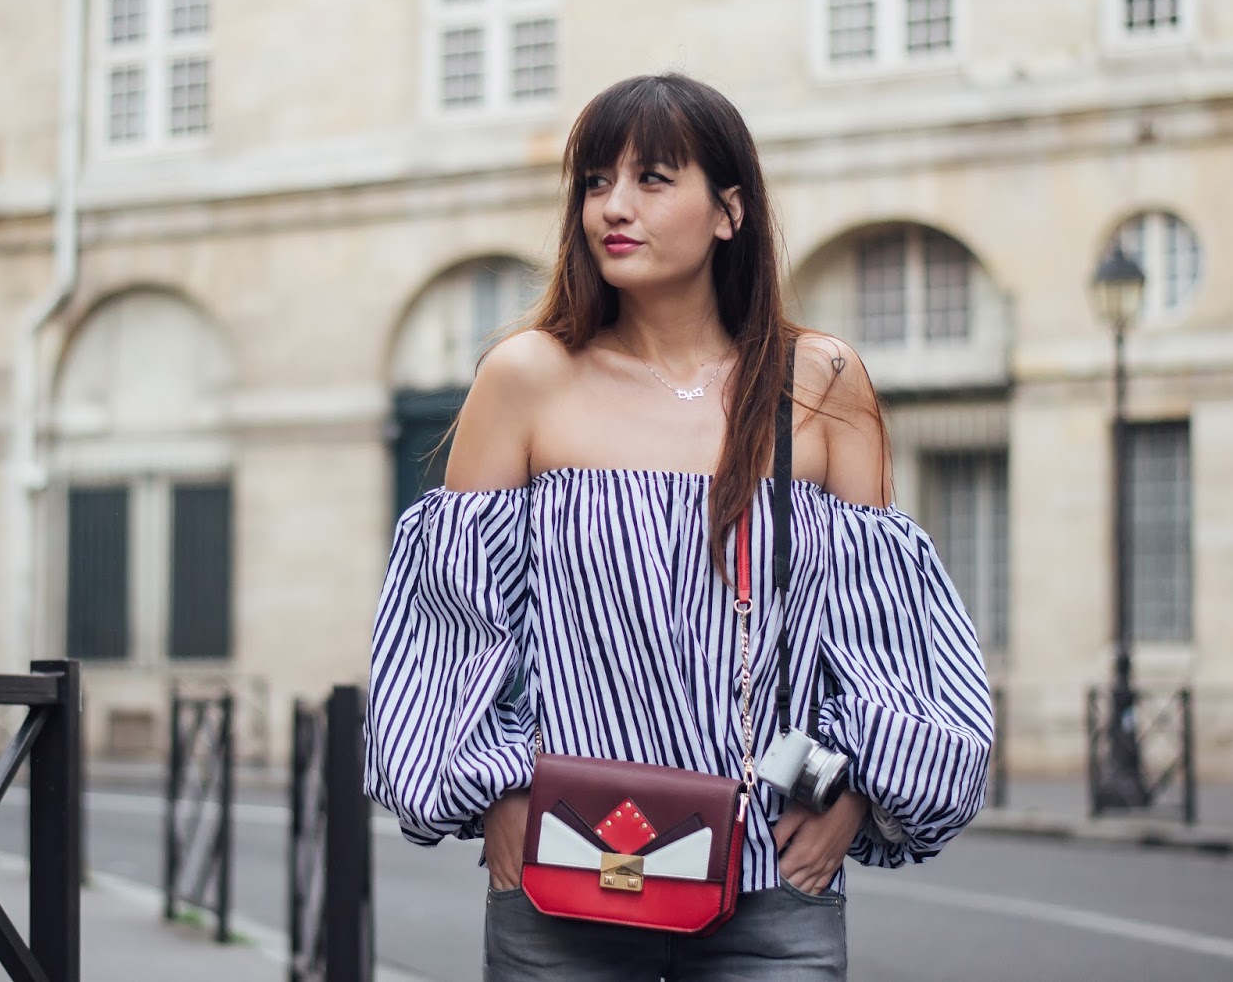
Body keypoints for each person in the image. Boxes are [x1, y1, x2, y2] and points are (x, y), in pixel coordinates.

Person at [364, 73, 993, 981]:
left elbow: (883, 639)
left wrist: (850, 794)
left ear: (730, 211)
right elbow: (452, 628)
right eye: (596, 182)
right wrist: (501, 799)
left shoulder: (818, 382)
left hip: (770, 876)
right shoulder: (526, 377)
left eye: (652, 179)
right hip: (567, 868)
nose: (613, 207)